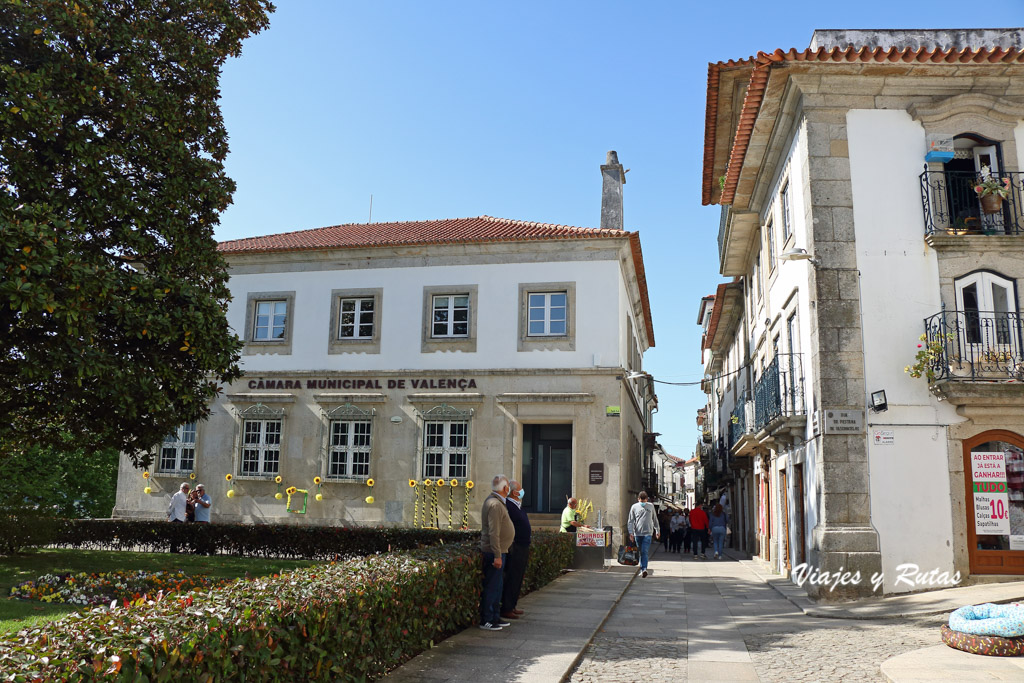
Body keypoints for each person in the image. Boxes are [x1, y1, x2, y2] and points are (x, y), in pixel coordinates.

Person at [479, 475, 515, 631]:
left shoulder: (498, 502)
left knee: (497, 587)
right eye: (508, 487)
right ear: (505, 488)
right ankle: (487, 619)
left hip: (501, 551)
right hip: (495, 552)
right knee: (492, 587)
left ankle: (494, 617)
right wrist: (497, 555)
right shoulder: (494, 504)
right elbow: (494, 532)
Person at [500, 480, 531, 621]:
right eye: (520, 489)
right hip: (516, 546)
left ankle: (512, 605)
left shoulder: (517, 506)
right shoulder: (509, 506)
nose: (522, 491)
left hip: (523, 545)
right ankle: (506, 607)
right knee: (512, 577)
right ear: (514, 492)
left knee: (518, 577)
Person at [626, 491, 660, 578]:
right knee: (641, 551)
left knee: (644, 551)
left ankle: (644, 568)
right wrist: (631, 533)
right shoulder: (634, 507)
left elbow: (655, 519)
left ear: (647, 499)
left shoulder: (651, 506)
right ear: (638, 499)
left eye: (644, 501)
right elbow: (630, 521)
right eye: (641, 501)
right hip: (637, 533)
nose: (643, 503)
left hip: (648, 533)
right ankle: (642, 568)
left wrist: (657, 530)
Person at [167, 482, 189, 554]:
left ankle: (175, 549)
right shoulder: (177, 495)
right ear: (183, 489)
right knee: (175, 535)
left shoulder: (183, 496)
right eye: (187, 488)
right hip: (176, 517)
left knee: (177, 535)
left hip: (180, 517)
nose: (188, 490)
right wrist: (169, 513)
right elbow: (172, 505)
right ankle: (173, 549)